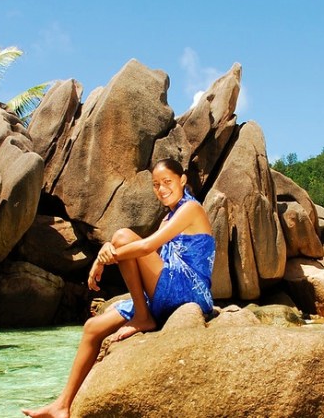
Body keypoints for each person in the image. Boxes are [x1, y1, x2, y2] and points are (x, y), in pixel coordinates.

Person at [22, 158, 216, 418]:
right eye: (156, 184)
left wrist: (106, 258)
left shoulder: (191, 209)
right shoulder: (167, 218)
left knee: (122, 236)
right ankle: (62, 405)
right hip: (167, 287)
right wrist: (107, 249)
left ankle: (143, 316)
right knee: (92, 328)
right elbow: (145, 256)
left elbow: (145, 247)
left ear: (182, 180)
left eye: (167, 182)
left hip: (190, 289)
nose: (161, 189)